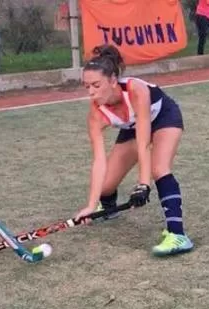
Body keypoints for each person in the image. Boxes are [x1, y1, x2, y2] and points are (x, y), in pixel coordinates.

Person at [74, 45, 194, 257]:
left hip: (163, 117)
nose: (91, 93)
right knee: (105, 186)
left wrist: (143, 184)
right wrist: (92, 204)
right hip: (132, 127)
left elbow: (143, 143)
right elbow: (98, 161)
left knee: (159, 168)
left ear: (112, 81)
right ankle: (107, 209)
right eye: (86, 87)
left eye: (96, 85)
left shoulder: (136, 90)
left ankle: (178, 235)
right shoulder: (95, 114)